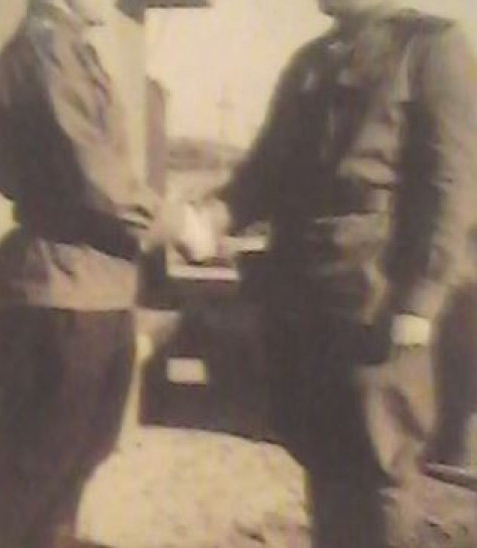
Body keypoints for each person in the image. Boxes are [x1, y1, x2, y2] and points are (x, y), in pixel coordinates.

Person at [191, 0, 477, 546]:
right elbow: (263, 173)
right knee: (322, 462)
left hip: (376, 303)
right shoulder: (310, 61)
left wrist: (421, 298)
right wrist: (210, 217)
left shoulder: (430, 49)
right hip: (302, 301)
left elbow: (453, 186)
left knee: (377, 470)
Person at [0, 1, 212, 547]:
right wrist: (176, 222)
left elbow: (3, 168)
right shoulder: (47, 50)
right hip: (63, 291)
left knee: (79, 456)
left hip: (92, 287)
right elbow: (93, 172)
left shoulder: (67, 49)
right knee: (34, 469)